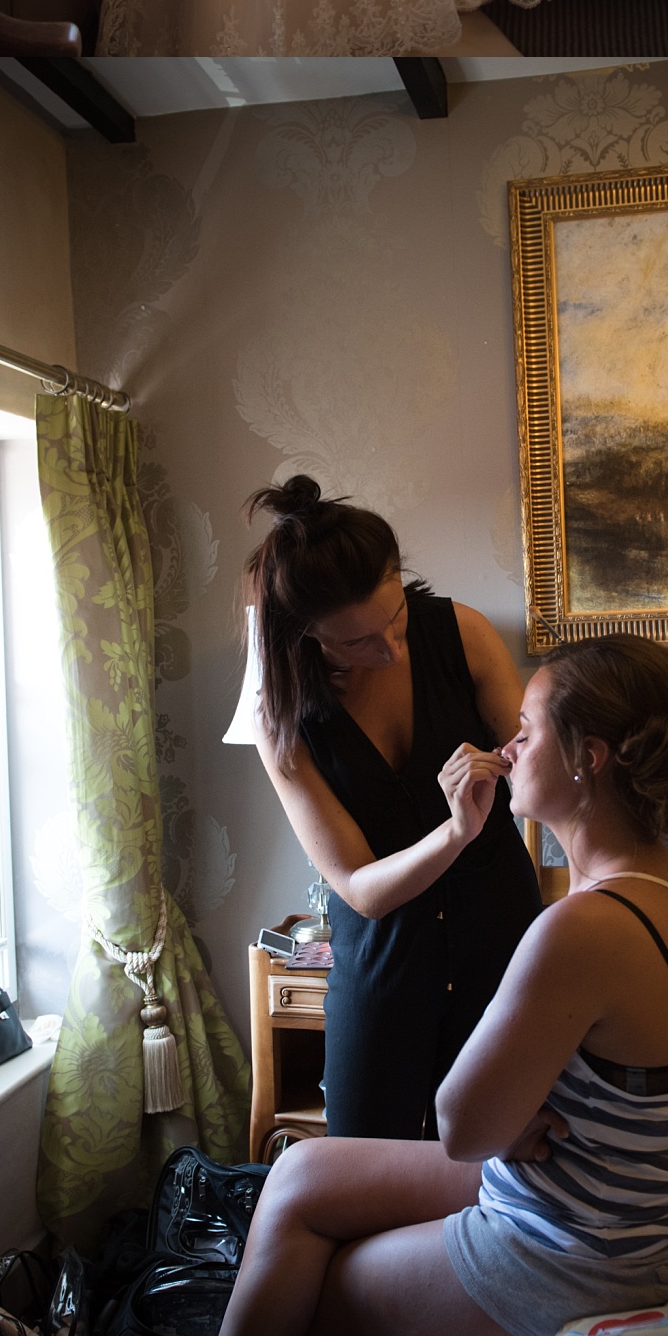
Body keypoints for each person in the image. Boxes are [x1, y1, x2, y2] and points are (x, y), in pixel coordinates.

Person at [196, 634, 668, 1336]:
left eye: (527, 731)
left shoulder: (583, 928)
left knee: (330, 1299)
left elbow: (463, 1128)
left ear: (588, 758)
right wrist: (520, 1111)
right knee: (299, 1171)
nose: (507, 747)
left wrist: (509, 1117)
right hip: (621, 1209)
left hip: (586, 1250)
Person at [243, 477, 540, 1140]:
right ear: (306, 635)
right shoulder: (281, 719)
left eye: (397, 619)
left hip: (502, 944)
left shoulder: (464, 633)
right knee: (361, 1160)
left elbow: (536, 766)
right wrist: (457, 830)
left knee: (501, 1163)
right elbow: (359, 888)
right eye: (357, 643)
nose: (390, 651)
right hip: (383, 966)